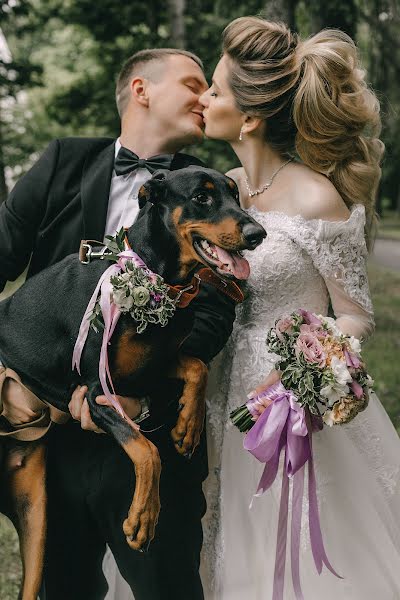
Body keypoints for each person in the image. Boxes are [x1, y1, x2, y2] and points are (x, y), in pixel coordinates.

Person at [0, 48, 239, 600]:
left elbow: (214, 310)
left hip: (148, 437)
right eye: (192, 83)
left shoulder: (211, 190)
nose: (206, 98)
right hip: (53, 444)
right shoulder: (63, 161)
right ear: (141, 89)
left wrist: (145, 396)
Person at [198, 17, 400, 599]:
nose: (205, 101)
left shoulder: (316, 197)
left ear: (251, 117)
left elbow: (355, 313)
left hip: (289, 405)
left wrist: (302, 372)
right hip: (214, 391)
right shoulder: (222, 189)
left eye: (214, 90)